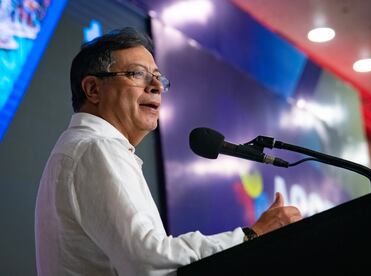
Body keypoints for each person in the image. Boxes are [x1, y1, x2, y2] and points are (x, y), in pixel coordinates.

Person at [34, 27, 302, 276]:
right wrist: (251, 235)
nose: (157, 86)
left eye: (158, 77)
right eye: (137, 74)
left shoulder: (84, 148)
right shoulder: (96, 147)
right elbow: (147, 261)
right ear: (93, 89)